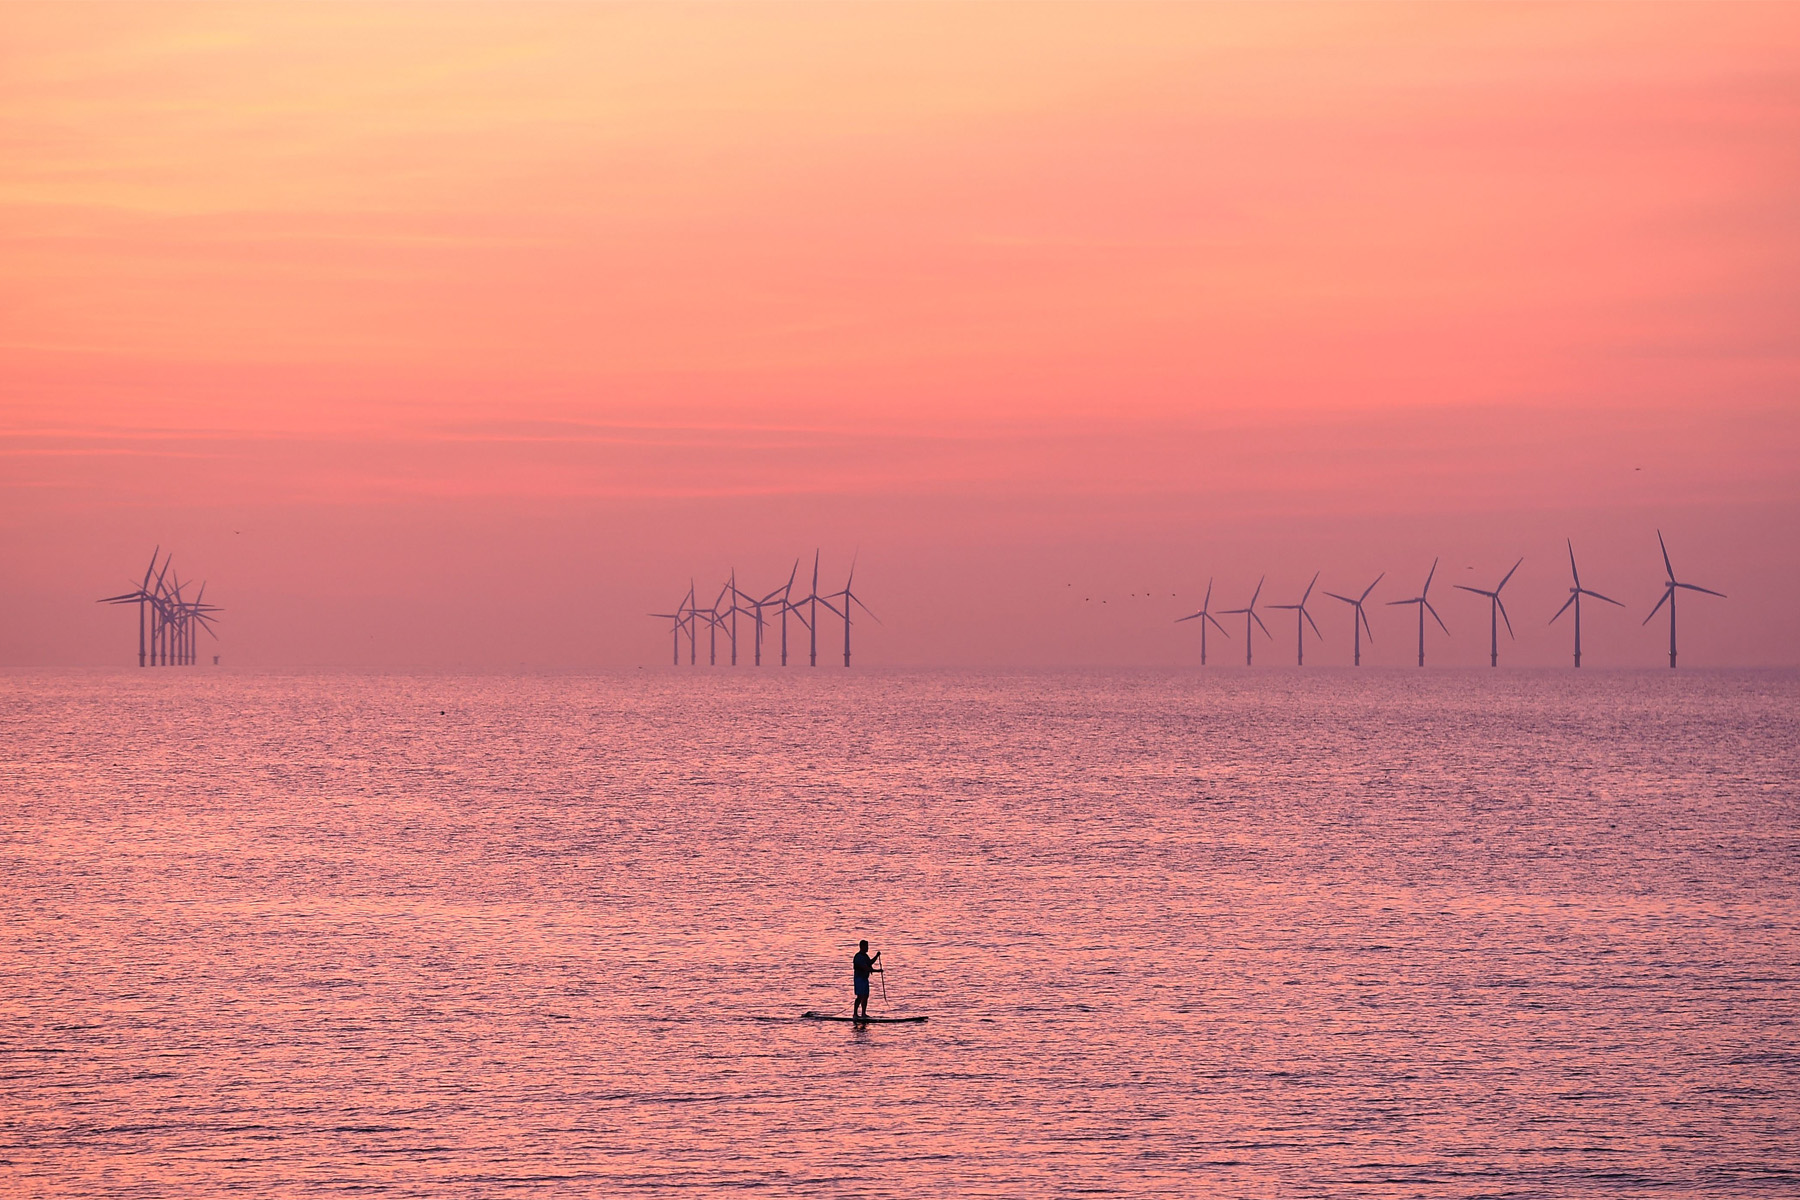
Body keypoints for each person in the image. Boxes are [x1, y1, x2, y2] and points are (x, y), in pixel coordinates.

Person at [852, 940, 881, 1019]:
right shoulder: (858, 957)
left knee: (866, 996)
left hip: (865, 979)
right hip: (859, 979)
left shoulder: (865, 956)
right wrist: (878, 971)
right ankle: (855, 1014)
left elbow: (870, 963)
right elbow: (866, 968)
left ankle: (863, 1014)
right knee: (860, 996)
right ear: (862, 947)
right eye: (866, 946)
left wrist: (876, 956)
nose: (867, 948)